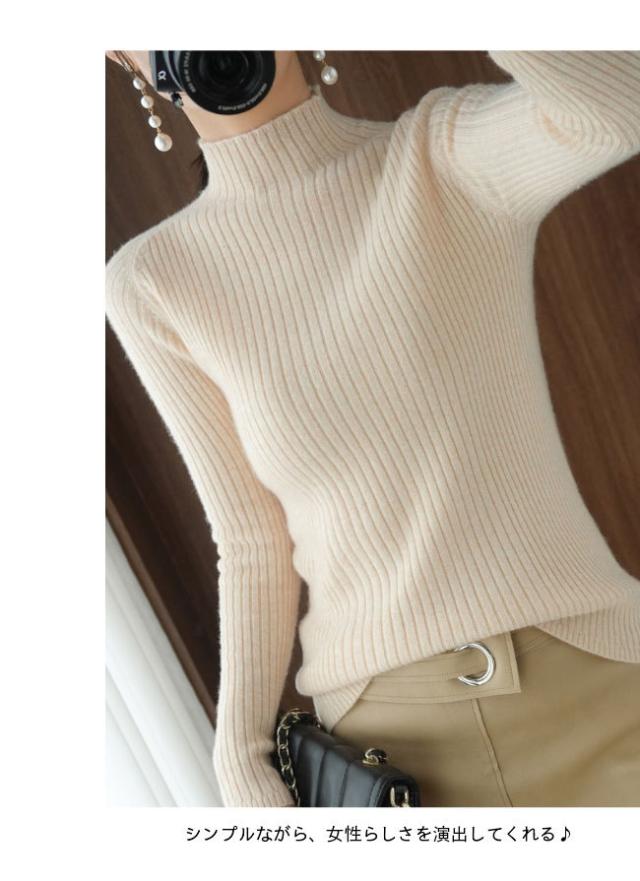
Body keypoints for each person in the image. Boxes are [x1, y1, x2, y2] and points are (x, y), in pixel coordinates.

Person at [105, 49, 640, 807]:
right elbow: (251, 537)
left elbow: (616, 108)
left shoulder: (443, 156)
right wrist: (241, 758)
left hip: (603, 691)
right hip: (393, 750)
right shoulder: (154, 282)